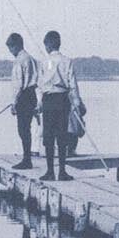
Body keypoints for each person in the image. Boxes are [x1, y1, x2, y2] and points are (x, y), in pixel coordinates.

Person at [35, 30, 79, 180]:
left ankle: (49, 171)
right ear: (59, 44)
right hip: (62, 99)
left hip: (48, 100)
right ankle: (62, 171)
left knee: (48, 136)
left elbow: (40, 85)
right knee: (62, 135)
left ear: (47, 45)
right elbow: (72, 85)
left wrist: (39, 102)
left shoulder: (43, 62)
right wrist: (76, 103)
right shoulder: (67, 61)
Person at [5, 33, 38, 169]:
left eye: (11, 48)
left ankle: (26, 159)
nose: (10, 52)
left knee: (23, 129)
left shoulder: (19, 60)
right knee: (27, 128)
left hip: (23, 96)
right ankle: (27, 157)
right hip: (32, 94)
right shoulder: (31, 58)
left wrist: (14, 102)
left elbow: (18, 84)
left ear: (16, 46)